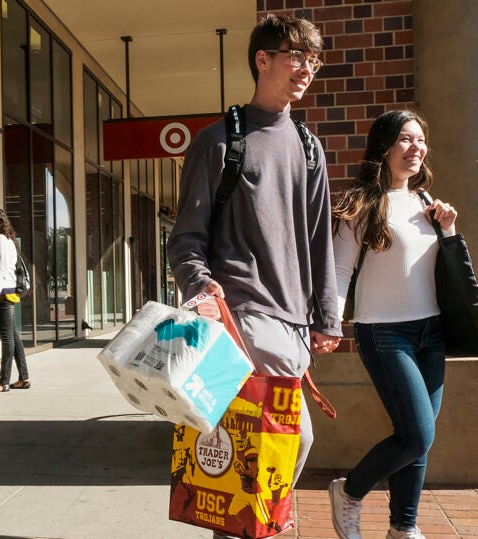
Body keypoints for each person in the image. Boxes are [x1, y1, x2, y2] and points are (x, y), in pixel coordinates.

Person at [167, 14, 342, 539]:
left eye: (313, 58)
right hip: (241, 316)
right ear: (261, 60)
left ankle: (250, 529)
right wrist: (200, 286)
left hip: (290, 322)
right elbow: (186, 237)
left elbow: (319, 240)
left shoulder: (310, 148)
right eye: (295, 55)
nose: (306, 67)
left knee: (248, 457)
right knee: (284, 442)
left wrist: (326, 315)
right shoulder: (218, 142)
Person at [329, 110, 457, 539]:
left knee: (417, 435)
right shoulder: (361, 204)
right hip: (384, 333)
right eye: (405, 139)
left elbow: (444, 270)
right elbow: (340, 271)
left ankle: (403, 527)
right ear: (384, 147)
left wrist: (449, 230)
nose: (415, 147)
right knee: (417, 435)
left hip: (431, 332)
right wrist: (331, 324)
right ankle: (351, 489)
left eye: (420, 139)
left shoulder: (426, 203)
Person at [0, 208, 30, 393]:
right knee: (14, 337)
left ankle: (4, 382)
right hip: (5, 293)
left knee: (7, 338)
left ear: (0, 222)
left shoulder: (1, 241)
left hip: (2, 295)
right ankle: (24, 378)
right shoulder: (1, 240)